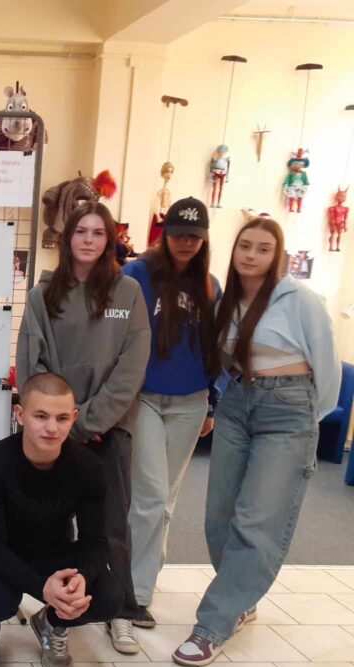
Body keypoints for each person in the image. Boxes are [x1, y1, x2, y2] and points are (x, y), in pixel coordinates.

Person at [173, 217, 340, 666]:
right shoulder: (226, 300)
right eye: (245, 245)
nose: (251, 255)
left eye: (263, 248)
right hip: (237, 402)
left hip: (289, 410)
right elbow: (223, 359)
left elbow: (328, 368)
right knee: (219, 517)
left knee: (256, 521)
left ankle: (213, 624)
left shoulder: (299, 299)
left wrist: (308, 421)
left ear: (277, 255)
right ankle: (240, 598)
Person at [16, 201, 151, 655]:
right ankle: (44, 601)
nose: (89, 240)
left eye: (98, 232)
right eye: (81, 231)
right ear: (67, 238)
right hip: (53, 432)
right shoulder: (44, 294)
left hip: (108, 430)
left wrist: (90, 419)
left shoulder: (128, 293)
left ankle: (119, 610)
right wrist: (61, 420)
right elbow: (31, 363)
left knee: (110, 522)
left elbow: (132, 367)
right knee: (44, 520)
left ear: (110, 240)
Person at [0, 373, 123, 667]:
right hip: (2, 553)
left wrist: (81, 580)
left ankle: (51, 623)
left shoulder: (89, 468)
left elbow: (95, 541)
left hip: (56, 553)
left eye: (62, 418)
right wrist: (41, 588)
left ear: (73, 418)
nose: (52, 428)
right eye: (41, 416)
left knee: (108, 597)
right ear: (20, 414)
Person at [121, 198, 222, 625]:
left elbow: (215, 347)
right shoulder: (136, 275)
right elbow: (117, 333)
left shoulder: (210, 285)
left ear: (203, 240)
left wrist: (212, 402)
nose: (185, 243)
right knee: (150, 497)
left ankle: (138, 582)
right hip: (144, 399)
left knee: (165, 502)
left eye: (194, 237)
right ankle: (133, 594)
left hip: (191, 403)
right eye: (179, 234)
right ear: (166, 235)